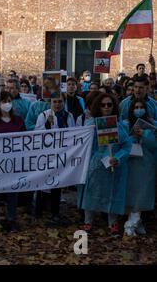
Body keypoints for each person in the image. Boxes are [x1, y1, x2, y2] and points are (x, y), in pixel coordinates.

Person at [79, 93, 132, 237]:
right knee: (91, 193)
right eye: (103, 105)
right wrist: (99, 157)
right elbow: (84, 145)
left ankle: (113, 224)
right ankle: (88, 222)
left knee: (113, 194)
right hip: (96, 166)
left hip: (115, 167)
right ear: (98, 107)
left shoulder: (120, 126)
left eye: (109, 104)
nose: (106, 107)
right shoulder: (91, 125)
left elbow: (127, 146)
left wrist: (118, 158)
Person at [0, 92, 26, 232]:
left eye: (9, 101)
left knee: (12, 191)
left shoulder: (18, 120)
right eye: (3, 101)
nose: (7, 104)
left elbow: (26, 139)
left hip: (14, 161)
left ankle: (11, 219)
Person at [35, 92, 75, 226]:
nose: (57, 104)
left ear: (64, 102)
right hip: (47, 155)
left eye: (60, 102)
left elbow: (73, 133)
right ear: (50, 103)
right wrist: (47, 125)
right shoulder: (44, 115)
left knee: (57, 184)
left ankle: (55, 212)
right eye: (55, 102)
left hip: (63, 154)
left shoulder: (69, 116)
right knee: (42, 183)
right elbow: (37, 134)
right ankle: (38, 210)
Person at [121, 98, 157, 237]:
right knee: (131, 194)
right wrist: (133, 135)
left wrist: (144, 134)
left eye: (141, 106)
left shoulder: (153, 124)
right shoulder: (124, 124)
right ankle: (133, 222)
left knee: (143, 194)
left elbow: (154, 145)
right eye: (136, 106)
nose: (138, 109)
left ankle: (134, 222)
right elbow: (122, 143)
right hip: (131, 162)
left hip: (146, 164)